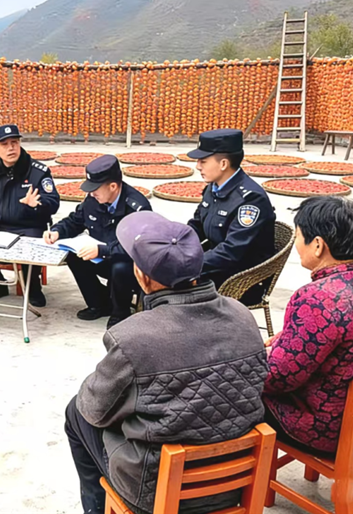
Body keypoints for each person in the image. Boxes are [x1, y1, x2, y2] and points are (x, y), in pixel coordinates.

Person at [64, 211, 268, 514]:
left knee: (77, 412)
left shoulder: (132, 336)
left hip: (157, 490)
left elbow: (95, 409)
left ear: (142, 276)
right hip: (235, 481)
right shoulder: (242, 314)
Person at [263, 196, 353, 454]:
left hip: (323, 429)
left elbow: (278, 379)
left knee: (232, 391)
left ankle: (233, 474)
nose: (296, 245)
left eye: (298, 237)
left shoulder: (316, 298)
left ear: (317, 245)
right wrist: (286, 339)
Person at [44, 155, 151, 328]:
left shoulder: (137, 207)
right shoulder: (93, 199)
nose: (91, 193)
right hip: (101, 256)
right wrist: (57, 231)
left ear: (113, 186)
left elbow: (137, 247)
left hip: (129, 265)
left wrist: (102, 250)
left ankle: (120, 313)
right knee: (73, 255)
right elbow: (75, 220)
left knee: (120, 268)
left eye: (95, 189)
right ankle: (99, 304)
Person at [0, 124, 60, 307]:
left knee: (32, 241)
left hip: (29, 226)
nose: (11, 148)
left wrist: (37, 204)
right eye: (4, 144)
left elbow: (53, 202)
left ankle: (32, 287)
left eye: (14, 142)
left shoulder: (38, 172)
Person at [187, 128, 276, 304]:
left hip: (240, 279)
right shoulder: (213, 188)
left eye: (203, 161)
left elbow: (231, 251)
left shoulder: (250, 199)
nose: (198, 166)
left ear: (223, 164)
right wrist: (173, 245)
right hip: (215, 265)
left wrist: (188, 266)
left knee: (167, 286)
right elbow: (196, 226)